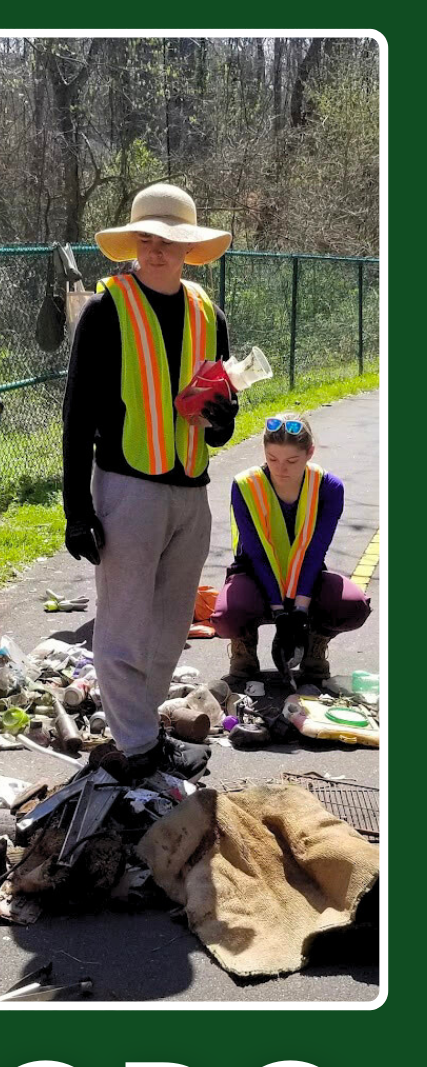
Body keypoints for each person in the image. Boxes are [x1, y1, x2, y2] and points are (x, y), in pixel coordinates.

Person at [61, 183, 237, 780]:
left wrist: (222, 419)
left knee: (169, 622)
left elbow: (218, 420)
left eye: (168, 241)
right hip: (127, 487)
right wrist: (76, 507)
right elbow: (78, 413)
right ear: (133, 244)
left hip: (192, 489)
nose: (155, 250)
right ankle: (136, 747)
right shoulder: (107, 309)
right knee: (123, 620)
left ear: (188, 247)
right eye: (145, 239)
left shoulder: (208, 314)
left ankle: (143, 732)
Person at [212, 412, 370, 685]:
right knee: (227, 616)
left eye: (291, 461)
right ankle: (244, 645)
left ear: (310, 452)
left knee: (353, 606)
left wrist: (298, 611)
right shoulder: (245, 486)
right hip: (253, 574)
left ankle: (315, 639)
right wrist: (279, 613)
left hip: (306, 575)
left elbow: (315, 552)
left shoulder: (329, 487)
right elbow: (258, 555)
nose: (280, 469)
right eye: (272, 459)